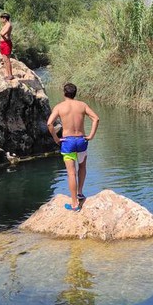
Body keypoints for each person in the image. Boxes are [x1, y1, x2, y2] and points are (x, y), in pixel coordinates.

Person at [47, 83, 100, 211]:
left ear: (64, 93)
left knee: (71, 173)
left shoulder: (60, 107)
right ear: (75, 93)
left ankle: (75, 204)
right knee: (82, 166)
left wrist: (56, 139)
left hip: (68, 142)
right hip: (81, 140)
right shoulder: (82, 105)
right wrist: (91, 136)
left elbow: (49, 123)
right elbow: (96, 119)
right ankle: (80, 193)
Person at [0, 13, 14, 80]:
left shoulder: (8, 25)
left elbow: (2, 33)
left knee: (7, 60)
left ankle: (10, 75)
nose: (1, 20)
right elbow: (1, 32)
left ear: (4, 18)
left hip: (6, 43)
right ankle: (8, 74)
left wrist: (2, 35)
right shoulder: (5, 25)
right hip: (3, 43)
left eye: (1, 18)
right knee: (5, 60)